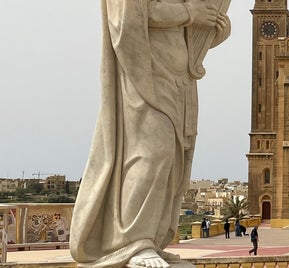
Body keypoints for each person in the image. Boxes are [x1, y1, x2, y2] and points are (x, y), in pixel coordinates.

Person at [69, 0, 231, 267]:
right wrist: (192, 12)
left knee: (173, 161)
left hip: (177, 79)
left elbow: (181, 29)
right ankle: (132, 242)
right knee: (152, 152)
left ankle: (151, 239)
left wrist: (212, 28)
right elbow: (128, 15)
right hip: (146, 75)